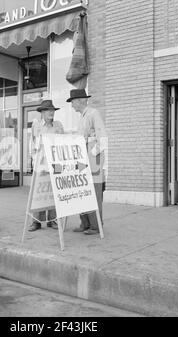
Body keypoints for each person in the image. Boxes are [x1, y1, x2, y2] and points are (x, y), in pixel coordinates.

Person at [66, 89, 106, 235]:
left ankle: (95, 226)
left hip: (93, 159)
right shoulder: (82, 117)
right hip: (83, 158)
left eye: (72, 102)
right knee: (82, 191)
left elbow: (102, 139)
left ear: (79, 101)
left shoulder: (93, 114)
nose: (72, 106)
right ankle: (85, 223)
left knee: (94, 193)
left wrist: (91, 155)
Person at [29, 100, 64, 232]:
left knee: (55, 192)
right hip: (41, 164)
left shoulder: (58, 125)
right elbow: (32, 145)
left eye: (53, 110)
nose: (51, 112)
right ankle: (36, 221)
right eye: (48, 110)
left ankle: (52, 220)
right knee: (39, 192)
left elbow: (63, 143)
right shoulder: (36, 125)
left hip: (56, 164)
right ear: (42, 112)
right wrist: (35, 161)